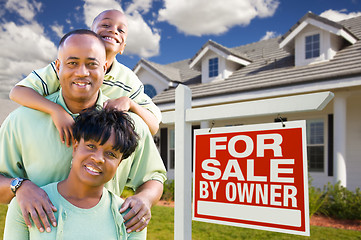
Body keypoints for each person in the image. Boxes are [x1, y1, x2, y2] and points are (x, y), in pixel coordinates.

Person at [0, 29, 166, 234]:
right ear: (58, 67)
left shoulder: (128, 126)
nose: (82, 72)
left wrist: (145, 199)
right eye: (72, 63)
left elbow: (154, 176)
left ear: (104, 68)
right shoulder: (22, 120)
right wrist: (20, 186)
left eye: (91, 64)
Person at [9, 9, 161, 147]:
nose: (113, 31)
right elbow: (18, 92)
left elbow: (153, 126)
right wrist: (56, 111)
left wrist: (130, 103)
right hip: (54, 141)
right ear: (90, 35)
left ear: (123, 48)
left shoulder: (128, 80)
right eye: (106, 25)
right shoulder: (65, 68)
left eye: (121, 30)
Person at [4, 107, 146, 239]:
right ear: (75, 147)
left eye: (111, 154)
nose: (98, 159)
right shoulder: (27, 204)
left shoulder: (131, 217)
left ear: (119, 164)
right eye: (91, 146)